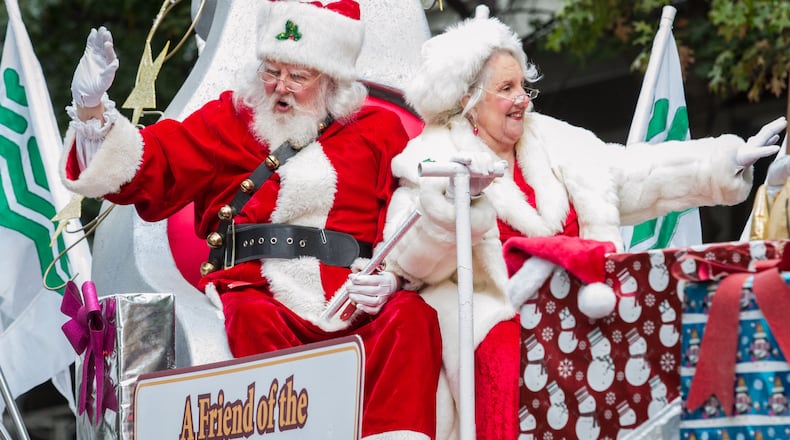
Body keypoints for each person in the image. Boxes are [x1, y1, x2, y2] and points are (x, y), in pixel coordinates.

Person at [381, 7, 786, 439]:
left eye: (524, 85)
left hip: (584, 308)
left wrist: (722, 161)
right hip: (496, 320)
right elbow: (409, 262)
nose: (523, 98)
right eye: (506, 88)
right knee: (507, 351)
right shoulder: (431, 158)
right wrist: (463, 198)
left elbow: (632, 173)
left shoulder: (555, 138)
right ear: (467, 99)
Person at [60, 1, 442, 439]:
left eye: (298, 76)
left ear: (333, 80)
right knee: (251, 317)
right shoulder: (233, 118)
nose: (280, 86)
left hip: (355, 301)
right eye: (271, 70)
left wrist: (392, 279)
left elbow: (415, 211)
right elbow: (151, 167)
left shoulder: (378, 129)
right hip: (261, 295)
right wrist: (92, 112)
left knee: (412, 317)